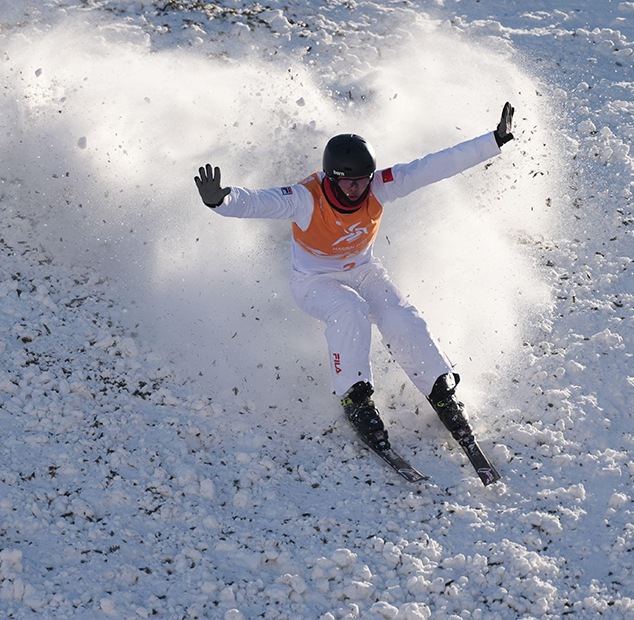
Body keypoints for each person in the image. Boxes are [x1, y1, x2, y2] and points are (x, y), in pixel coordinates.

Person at [194, 103, 515, 460]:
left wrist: (492, 141)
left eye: (362, 180)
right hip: (315, 281)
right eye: (347, 181)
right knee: (350, 310)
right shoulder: (306, 198)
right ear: (331, 177)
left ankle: (440, 389)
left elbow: (431, 167)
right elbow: (259, 202)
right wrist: (222, 200)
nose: (356, 188)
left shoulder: (379, 187)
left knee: (399, 317)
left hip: (363, 270)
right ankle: (356, 398)